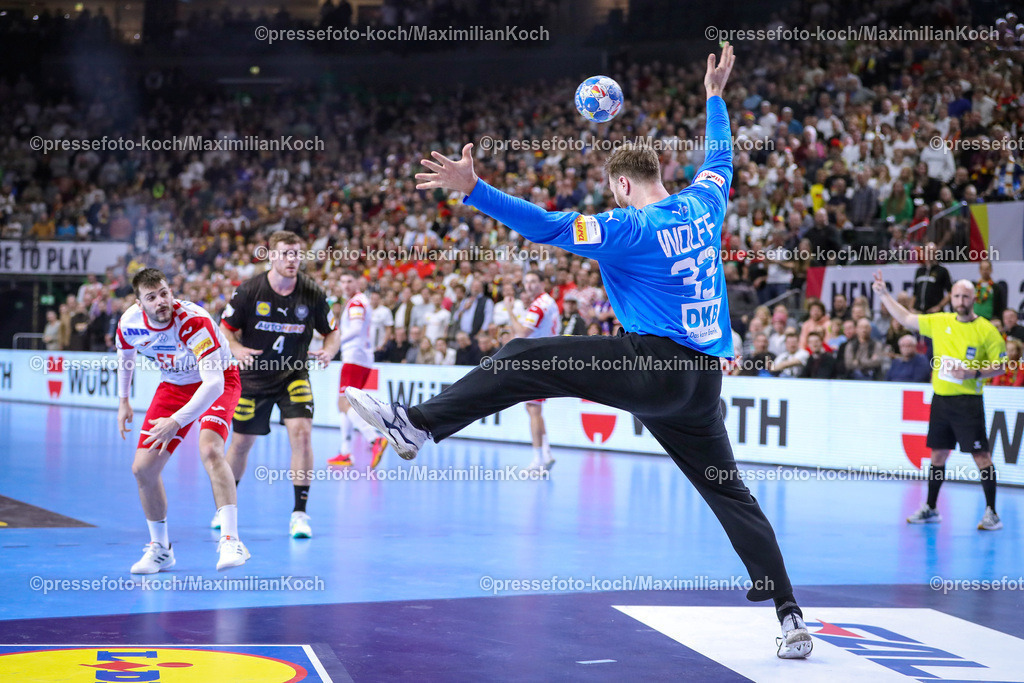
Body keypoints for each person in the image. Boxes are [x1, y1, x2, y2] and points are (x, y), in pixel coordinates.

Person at [347, 44, 813, 660]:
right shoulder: (706, 201)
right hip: (702, 384)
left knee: (526, 357)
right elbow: (721, 156)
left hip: (652, 368)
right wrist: (715, 96)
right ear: (659, 173)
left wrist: (475, 188)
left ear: (621, 184)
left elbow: (545, 225)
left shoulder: (628, 227)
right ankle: (790, 616)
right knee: (731, 494)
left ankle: (418, 426)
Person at [116, 268, 249, 573]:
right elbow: (125, 356)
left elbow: (213, 384)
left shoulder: (193, 321)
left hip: (219, 379)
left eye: (164, 293)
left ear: (171, 292)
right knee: (143, 469)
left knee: (210, 449)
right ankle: (161, 549)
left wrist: (176, 421)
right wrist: (123, 401)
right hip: (174, 385)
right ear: (139, 304)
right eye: (151, 297)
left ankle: (231, 540)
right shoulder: (129, 323)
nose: (161, 301)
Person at [219, 231, 340, 539]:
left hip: (293, 375)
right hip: (254, 377)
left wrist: (329, 350)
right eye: (286, 253)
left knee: (302, 434)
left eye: (296, 253)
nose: (292, 259)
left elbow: (332, 331)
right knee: (241, 443)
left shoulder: (312, 292)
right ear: (271, 256)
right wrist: (236, 348)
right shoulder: (249, 290)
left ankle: (300, 514)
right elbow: (225, 329)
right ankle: (225, 508)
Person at [873, 273, 1007, 530]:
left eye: (965, 296)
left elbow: (1002, 365)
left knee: (981, 456)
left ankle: (992, 513)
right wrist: (884, 294)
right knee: (937, 455)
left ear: (973, 299)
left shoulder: (986, 330)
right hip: (941, 401)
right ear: (951, 298)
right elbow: (906, 318)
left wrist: (973, 373)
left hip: (968, 402)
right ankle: (931, 508)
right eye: (956, 296)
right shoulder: (939, 321)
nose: (960, 300)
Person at [330, 272, 389, 469]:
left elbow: (355, 329)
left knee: (344, 403)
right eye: (343, 281)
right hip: (361, 357)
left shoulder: (356, 302)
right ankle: (345, 452)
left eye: (349, 281)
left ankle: (374, 439)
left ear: (358, 282)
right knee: (345, 404)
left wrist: (335, 343)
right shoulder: (360, 301)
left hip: (354, 357)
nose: (345, 285)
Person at [505, 270, 561, 471]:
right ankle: (546, 452)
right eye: (526, 282)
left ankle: (538, 461)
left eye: (533, 281)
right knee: (532, 408)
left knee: (533, 409)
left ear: (543, 283)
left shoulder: (538, 306)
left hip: (538, 361)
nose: (529, 285)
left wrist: (509, 310)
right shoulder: (549, 302)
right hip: (545, 357)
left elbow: (521, 332)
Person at [912, 242, 952, 313]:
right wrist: (911, 308)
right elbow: (915, 293)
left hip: (933, 312)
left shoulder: (942, 271)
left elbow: (950, 293)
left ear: (936, 254)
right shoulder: (919, 270)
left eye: (933, 252)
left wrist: (939, 306)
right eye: (928, 252)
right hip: (919, 311)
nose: (930, 255)